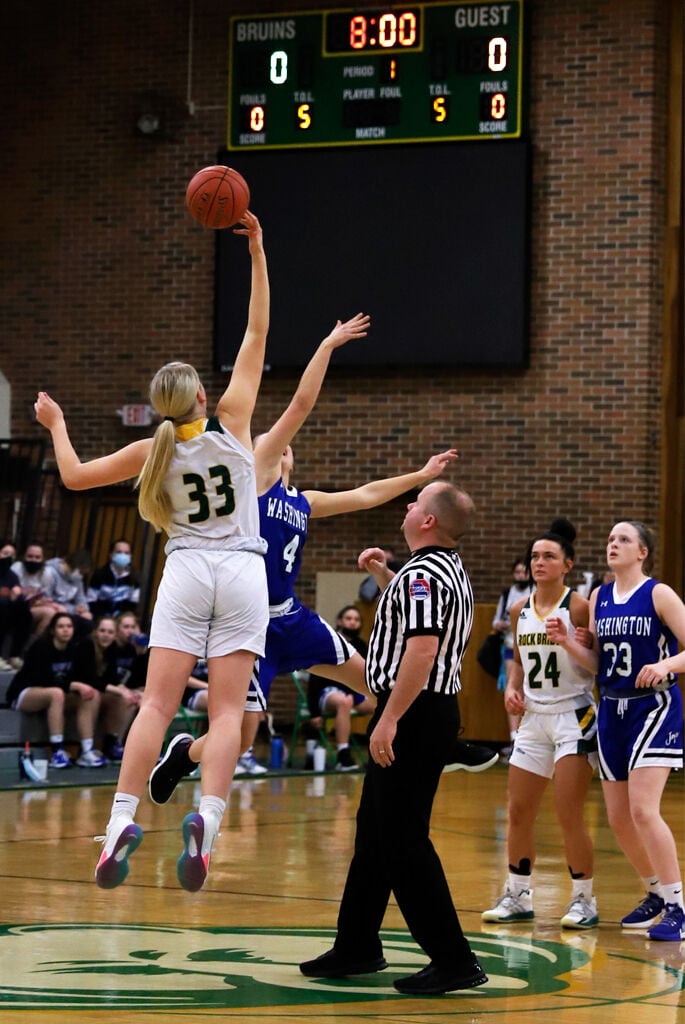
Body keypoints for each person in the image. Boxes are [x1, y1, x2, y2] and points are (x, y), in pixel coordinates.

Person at [147, 314, 485, 798]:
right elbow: (301, 403)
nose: (275, 445)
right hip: (250, 623)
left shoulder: (304, 501)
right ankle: (184, 754)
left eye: (280, 445)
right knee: (240, 739)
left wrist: (420, 474)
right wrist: (325, 346)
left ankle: (441, 741)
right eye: (267, 442)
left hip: (292, 618)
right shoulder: (254, 478)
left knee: (379, 680)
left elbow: (367, 494)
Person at [34, 210, 270, 893]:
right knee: (226, 713)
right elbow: (256, 330)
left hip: (188, 568)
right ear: (201, 393)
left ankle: (118, 825)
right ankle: (208, 818)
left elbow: (74, 477)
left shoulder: (149, 450)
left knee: (157, 708)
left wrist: (57, 424)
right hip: (244, 568)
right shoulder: (231, 422)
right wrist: (255, 250)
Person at [299, 481, 487, 995]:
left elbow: (422, 651)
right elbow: (417, 623)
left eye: (416, 502)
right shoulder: (438, 570)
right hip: (423, 712)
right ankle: (357, 944)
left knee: (403, 841)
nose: (408, 505)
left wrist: (388, 718)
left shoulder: (424, 575)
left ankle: (454, 959)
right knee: (374, 837)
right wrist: (384, 575)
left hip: (415, 714)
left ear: (427, 521)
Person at [546, 520, 685, 941]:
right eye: (610, 539)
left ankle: (679, 905)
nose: (613, 544)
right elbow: (599, 665)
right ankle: (655, 893)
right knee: (619, 818)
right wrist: (569, 644)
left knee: (643, 809)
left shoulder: (658, 593)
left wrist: (665, 664)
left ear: (642, 551)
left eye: (623, 539)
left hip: (654, 707)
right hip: (612, 708)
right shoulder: (599, 597)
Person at [481, 519, 600, 929]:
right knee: (518, 811)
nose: (539, 562)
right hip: (534, 716)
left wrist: (568, 640)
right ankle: (517, 894)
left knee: (568, 811)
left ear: (567, 564)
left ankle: (584, 900)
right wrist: (511, 689)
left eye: (549, 556)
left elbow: (597, 666)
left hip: (573, 713)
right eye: (535, 556)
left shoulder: (580, 607)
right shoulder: (519, 609)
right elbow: (515, 660)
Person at [5, 611, 102, 768]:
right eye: (61, 626)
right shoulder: (41, 647)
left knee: (90, 694)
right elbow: (42, 679)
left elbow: (84, 677)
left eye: (69, 626)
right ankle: (57, 751)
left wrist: (80, 686)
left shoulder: (74, 649)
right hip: (24, 693)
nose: (65, 630)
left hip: (54, 695)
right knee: (56, 693)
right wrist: (73, 685)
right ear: (52, 630)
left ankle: (87, 750)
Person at [306, 605, 375, 771]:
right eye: (349, 618)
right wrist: (314, 712)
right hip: (329, 692)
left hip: (353, 691)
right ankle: (343, 755)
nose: (352, 623)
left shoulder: (361, 645)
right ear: (339, 621)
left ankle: (377, 753)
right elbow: (314, 680)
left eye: (356, 620)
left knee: (383, 703)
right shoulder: (329, 640)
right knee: (344, 702)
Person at [72, 615, 139, 764]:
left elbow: (113, 680)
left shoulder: (112, 649)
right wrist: (119, 690)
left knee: (127, 698)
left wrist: (126, 692)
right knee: (92, 694)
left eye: (110, 632)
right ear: (95, 632)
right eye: (102, 630)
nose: (106, 635)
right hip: (72, 691)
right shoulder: (86, 645)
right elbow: (90, 679)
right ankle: (86, 750)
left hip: (94, 690)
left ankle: (113, 743)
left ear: (115, 635)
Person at [492, 558, 533, 758]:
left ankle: (528, 737)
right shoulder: (508, 594)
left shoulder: (535, 592)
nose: (520, 576)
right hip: (510, 646)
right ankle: (514, 737)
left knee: (529, 692)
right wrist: (501, 624)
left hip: (532, 647)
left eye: (523, 572)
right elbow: (496, 620)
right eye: (516, 572)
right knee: (512, 690)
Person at [11, 542, 65, 643]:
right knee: (49, 613)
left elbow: (44, 595)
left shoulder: (47, 573)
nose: (33, 560)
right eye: (30, 556)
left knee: (62, 610)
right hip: (16, 607)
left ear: (43, 559)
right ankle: (32, 645)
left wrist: (46, 602)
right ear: (24, 557)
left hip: (34, 606)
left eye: (37, 557)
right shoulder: (16, 568)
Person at [87, 539, 141, 620]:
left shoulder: (134, 578)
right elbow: (91, 601)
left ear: (131, 556)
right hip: (99, 618)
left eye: (126, 553)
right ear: (111, 555)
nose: (123, 556)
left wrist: (119, 617)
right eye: (119, 552)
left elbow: (132, 604)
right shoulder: (99, 575)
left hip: (122, 620)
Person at [0, 540, 26, 670]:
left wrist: (18, 594)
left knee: (25, 613)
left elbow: (18, 591)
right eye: (5, 553)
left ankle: (14, 655)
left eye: (12, 555)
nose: (8, 558)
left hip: (8, 608)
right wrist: (8, 593)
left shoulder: (12, 575)